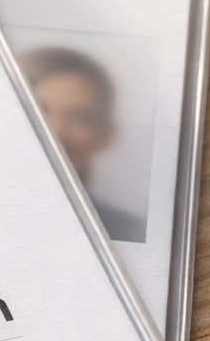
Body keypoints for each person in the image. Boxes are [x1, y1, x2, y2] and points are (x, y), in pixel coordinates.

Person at [18, 47, 146, 243]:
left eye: (79, 118)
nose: (56, 131)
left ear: (105, 135)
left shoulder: (129, 232)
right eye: (37, 110)